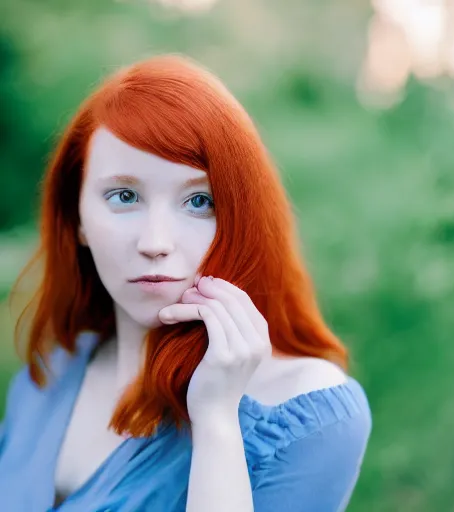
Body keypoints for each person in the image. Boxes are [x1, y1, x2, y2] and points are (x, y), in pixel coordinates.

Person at [0, 54, 371, 511]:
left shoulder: (306, 414)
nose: (156, 242)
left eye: (199, 201)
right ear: (76, 216)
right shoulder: (51, 372)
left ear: (240, 217)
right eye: (124, 196)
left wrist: (216, 422)